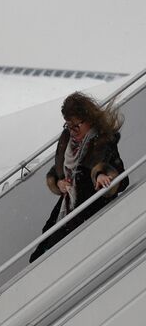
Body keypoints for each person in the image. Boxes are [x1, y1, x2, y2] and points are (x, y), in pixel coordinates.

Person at [30, 92, 127, 262]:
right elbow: (58, 170)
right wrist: (59, 182)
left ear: (88, 120)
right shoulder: (68, 144)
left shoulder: (102, 143)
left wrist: (102, 176)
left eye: (76, 126)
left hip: (90, 213)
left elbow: (121, 177)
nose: (72, 131)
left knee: (60, 257)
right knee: (41, 254)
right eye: (68, 126)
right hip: (68, 211)